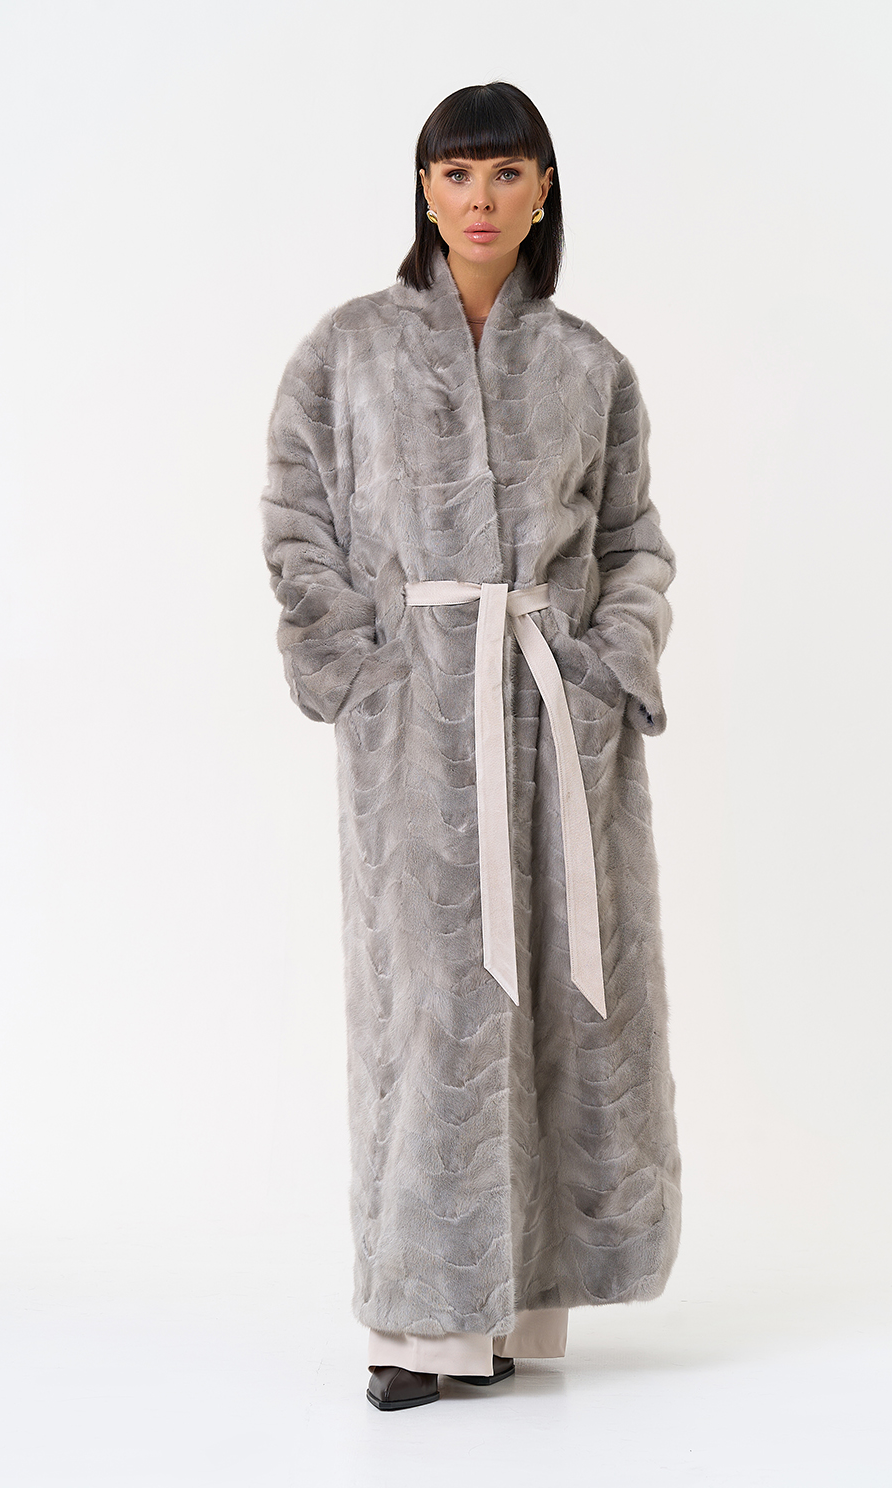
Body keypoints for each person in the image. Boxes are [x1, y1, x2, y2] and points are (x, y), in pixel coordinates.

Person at [260, 81, 681, 1413]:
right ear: (425, 192)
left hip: (558, 719)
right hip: (414, 732)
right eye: (456, 175)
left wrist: (607, 671)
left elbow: (634, 541)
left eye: (505, 173)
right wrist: (359, 674)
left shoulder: (591, 366)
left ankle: (512, 1313)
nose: (480, 199)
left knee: (557, 1003)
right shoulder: (347, 350)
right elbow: (296, 526)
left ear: (544, 191)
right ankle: (422, 1320)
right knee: (428, 1008)